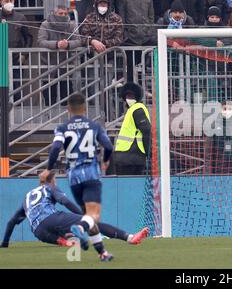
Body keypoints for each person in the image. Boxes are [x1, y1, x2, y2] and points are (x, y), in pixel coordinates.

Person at [39, 93, 114, 262]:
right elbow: (108, 146)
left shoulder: (62, 128)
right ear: (85, 108)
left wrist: (48, 169)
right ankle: (79, 228)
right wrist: (106, 161)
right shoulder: (94, 126)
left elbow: (56, 147)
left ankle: (102, 253)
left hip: (73, 177)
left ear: (68, 110)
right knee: (93, 216)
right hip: (90, 173)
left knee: (88, 216)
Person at [1, 172, 149, 248]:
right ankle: (129, 238)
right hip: (53, 219)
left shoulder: (27, 197)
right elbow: (64, 201)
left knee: (66, 230)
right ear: (52, 181)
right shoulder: (50, 187)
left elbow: (11, 222)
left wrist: (5, 243)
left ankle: (63, 241)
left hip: (39, 232)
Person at [37, 6, 83, 106]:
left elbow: (79, 41)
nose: (63, 15)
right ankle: (49, 120)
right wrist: (57, 44)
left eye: (65, 14)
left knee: (67, 97)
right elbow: (41, 42)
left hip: (65, 67)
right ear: (54, 13)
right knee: (49, 98)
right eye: (60, 13)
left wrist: (68, 45)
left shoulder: (71, 25)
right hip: (48, 67)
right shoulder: (45, 24)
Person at [114, 82, 151, 175]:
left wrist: (149, 153)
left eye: (131, 96)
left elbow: (146, 131)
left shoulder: (137, 109)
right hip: (128, 157)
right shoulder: (132, 110)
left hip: (131, 157)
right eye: (127, 96)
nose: (129, 98)